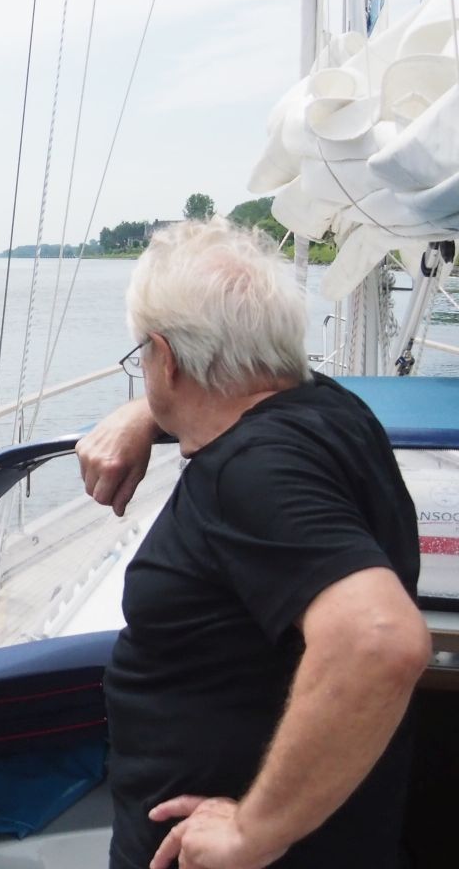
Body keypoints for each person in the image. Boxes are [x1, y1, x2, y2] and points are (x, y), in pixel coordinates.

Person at [76, 218, 428, 869]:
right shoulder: (335, 414)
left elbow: (379, 640)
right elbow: (241, 390)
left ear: (168, 357)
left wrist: (252, 833)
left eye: (141, 359)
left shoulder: (252, 472)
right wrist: (145, 413)